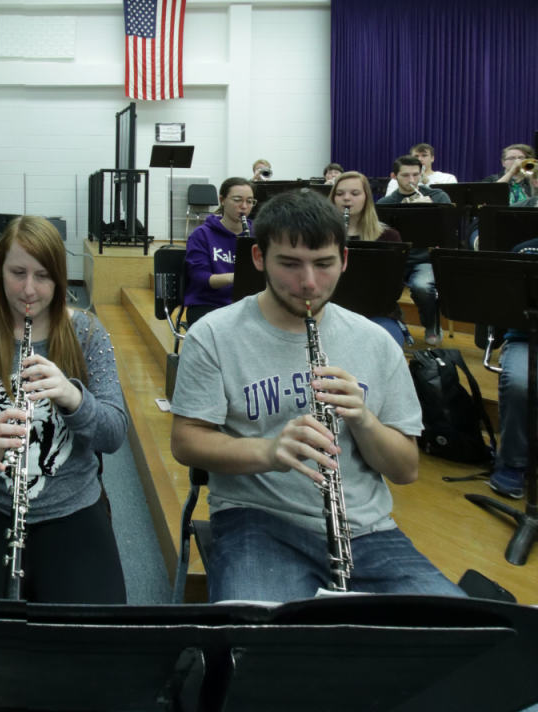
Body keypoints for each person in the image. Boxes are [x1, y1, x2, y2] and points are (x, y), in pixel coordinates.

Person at [169, 190, 463, 602]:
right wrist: (269, 451)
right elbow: (186, 442)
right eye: (289, 264)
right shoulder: (215, 335)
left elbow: (405, 470)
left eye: (324, 264)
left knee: (459, 631)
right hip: (259, 522)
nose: (308, 282)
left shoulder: (376, 342)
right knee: (263, 633)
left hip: (368, 532)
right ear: (259, 258)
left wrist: (363, 419)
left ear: (344, 260)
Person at [0, 215, 127, 602]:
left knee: (95, 632)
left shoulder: (88, 334)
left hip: (73, 504)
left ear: (60, 278)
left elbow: (114, 434)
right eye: (17, 273)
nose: (28, 289)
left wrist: (73, 398)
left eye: (43, 276)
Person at [377, 155, 451, 347]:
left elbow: (449, 231)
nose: (411, 180)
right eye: (405, 175)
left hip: (424, 259)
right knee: (377, 285)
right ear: (394, 176)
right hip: (396, 259)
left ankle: (431, 324)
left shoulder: (438, 197)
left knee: (422, 287)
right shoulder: (386, 203)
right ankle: (395, 324)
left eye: (415, 175)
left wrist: (431, 211)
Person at [329, 170, 405, 347]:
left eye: (355, 193)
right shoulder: (320, 236)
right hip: (330, 311)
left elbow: (394, 289)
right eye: (340, 194)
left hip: (375, 313)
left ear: (367, 198)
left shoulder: (388, 236)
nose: (346, 198)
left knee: (387, 345)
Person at [488, 236, 538, 500]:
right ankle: (513, 462)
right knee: (518, 382)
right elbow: (504, 305)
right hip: (526, 339)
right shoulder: (526, 250)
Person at [183, 177, 255, 326]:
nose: (244, 206)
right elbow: (200, 277)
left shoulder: (259, 233)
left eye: (249, 201)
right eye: (237, 200)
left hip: (248, 304)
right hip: (209, 303)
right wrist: (236, 278)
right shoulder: (202, 235)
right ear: (222, 200)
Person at [384, 143, 456, 195]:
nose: (420, 159)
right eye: (416, 156)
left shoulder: (447, 178)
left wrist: (428, 183)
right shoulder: (399, 178)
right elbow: (389, 202)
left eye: (424, 155)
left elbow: (450, 202)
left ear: (432, 158)